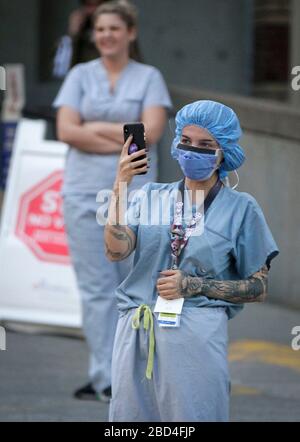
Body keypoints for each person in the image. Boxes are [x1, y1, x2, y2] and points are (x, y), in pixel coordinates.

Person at [105, 100, 280, 422]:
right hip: (136, 328)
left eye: (205, 145)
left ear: (223, 152)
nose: (192, 151)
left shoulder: (241, 209)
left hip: (196, 335)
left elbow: (258, 287)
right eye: (186, 141)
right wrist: (121, 185)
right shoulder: (150, 196)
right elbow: (116, 251)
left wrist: (195, 285)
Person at [53, 0, 172, 402]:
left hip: (136, 196)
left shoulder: (150, 77)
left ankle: (137, 373)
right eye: (100, 29)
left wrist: (93, 128)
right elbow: (67, 131)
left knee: (135, 284)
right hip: (83, 193)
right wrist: (121, 135)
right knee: (95, 289)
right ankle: (104, 377)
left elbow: (150, 135)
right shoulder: (79, 75)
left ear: (130, 33)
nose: (106, 35)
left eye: (114, 29)